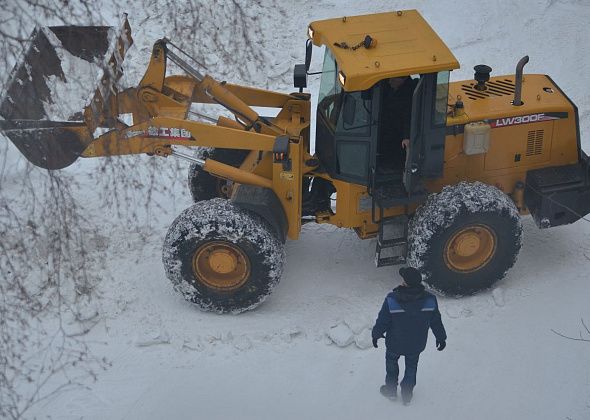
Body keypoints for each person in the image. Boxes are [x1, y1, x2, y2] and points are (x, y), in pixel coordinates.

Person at [372, 266, 447, 405]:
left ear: (405, 283)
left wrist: (375, 335)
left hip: (394, 343)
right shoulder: (430, 300)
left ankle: (391, 391)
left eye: (403, 279)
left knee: (391, 365)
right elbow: (436, 321)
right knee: (411, 367)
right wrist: (441, 337)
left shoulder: (392, 299)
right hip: (416, 344)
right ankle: (407, 395)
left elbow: (383, 321)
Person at [380, 76, 418, 169]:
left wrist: (406, 137)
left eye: (392, 80)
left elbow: (408, 116)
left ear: (402, 80)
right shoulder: (394, 87)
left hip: (398, 130)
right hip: (391, 124)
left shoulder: (408, 96)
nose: (389, 82)